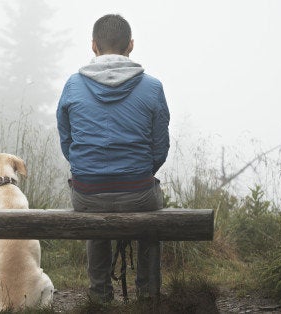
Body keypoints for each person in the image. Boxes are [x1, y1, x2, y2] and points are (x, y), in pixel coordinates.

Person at [56, 14, 170, 302]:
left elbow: (67, 141)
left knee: (94, 205)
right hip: (139, 193)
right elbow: (160, 147)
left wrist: (89, 169)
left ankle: (99, 295)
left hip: (87, 194)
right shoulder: (152, 87)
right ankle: (147, 295)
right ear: (130, 45)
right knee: (150, 210)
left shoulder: (72, 85)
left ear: (93, 46)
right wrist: (138, 172)